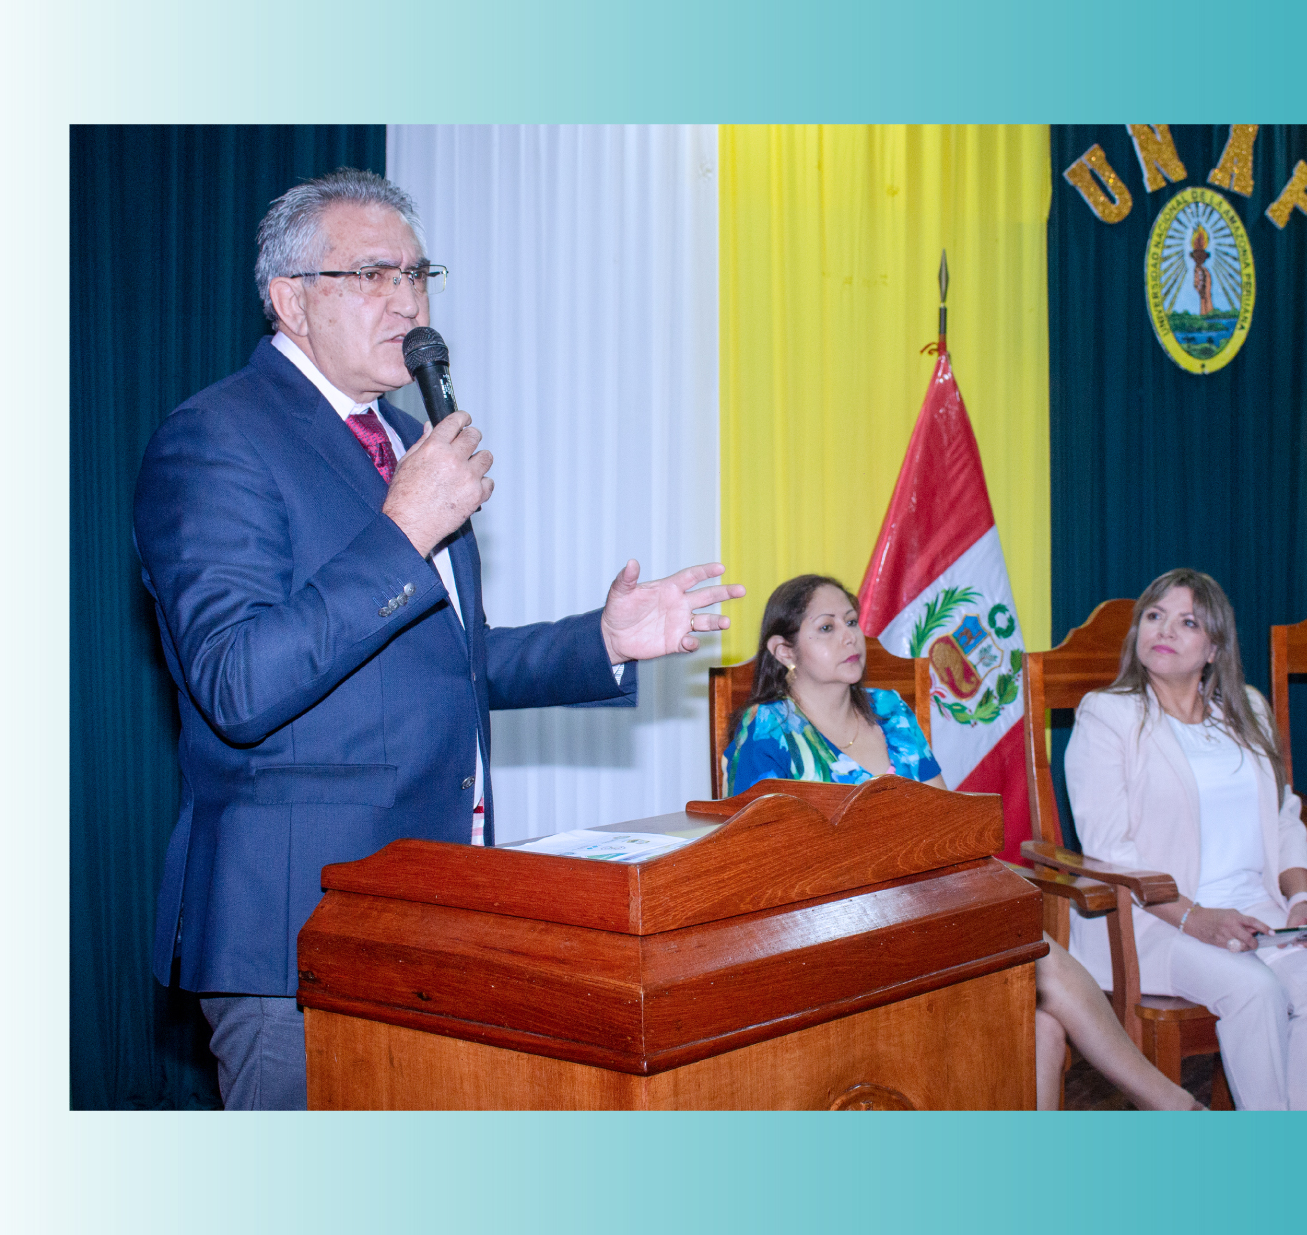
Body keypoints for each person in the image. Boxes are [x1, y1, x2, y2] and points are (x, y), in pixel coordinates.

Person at [132, 168, 743, 1110]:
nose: (407, 300)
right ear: (291, 301)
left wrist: (605, 639)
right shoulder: (215, 437)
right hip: (294, 930)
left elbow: (447, 659)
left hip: (433, 899)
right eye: (373, 274)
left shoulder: (405, 436)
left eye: (417, 273)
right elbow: (237, 682)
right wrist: (401, 531)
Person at [724, 574, 1201, 1111]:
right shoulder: (766, 733)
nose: (850, 638)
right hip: (835, 930)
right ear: (784, 650)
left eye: (853, 623)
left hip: (924, 905)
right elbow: (764, 866)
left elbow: (944, 824)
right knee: (1040, 961)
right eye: (827, 628)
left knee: (1043, 1023)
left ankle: (1158, 1114)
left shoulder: (889, 711)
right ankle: (1174, 1106)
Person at [1062, 568, 1307, 1110]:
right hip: (1149, 922)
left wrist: (1299, 899)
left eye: (1188, 622)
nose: (1165, 630)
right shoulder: (1107, 715)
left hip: (1254, 908)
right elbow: (1111, 851)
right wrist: (1196, 916)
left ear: (1213, 648)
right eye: (1154, 616)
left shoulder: (1247, 710)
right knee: (1255, 991)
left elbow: (1282, 816)